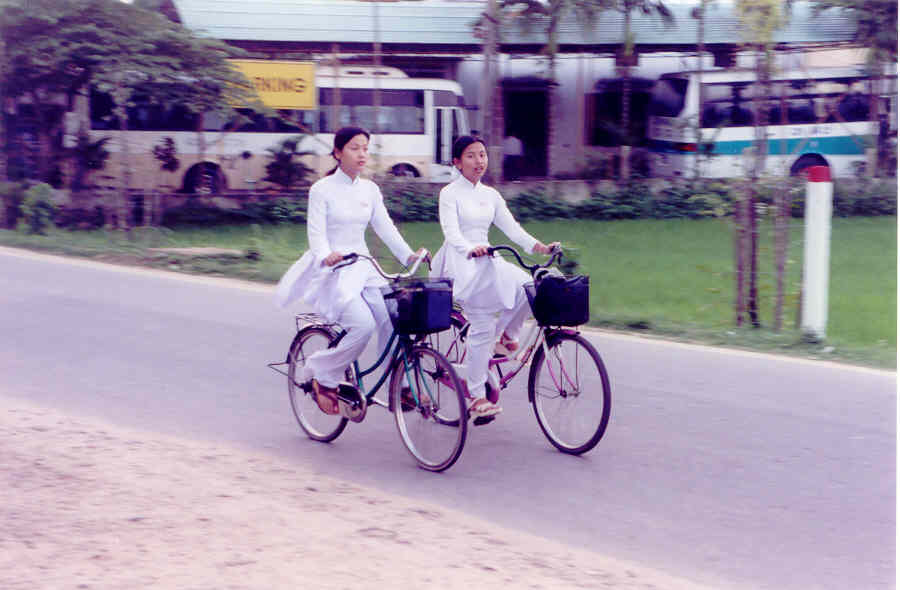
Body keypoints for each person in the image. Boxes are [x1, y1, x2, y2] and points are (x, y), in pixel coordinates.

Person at [275, 126, 427, 415]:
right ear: (337, 152)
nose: (362, 154)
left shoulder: (370, 189)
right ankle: (322, 372)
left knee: (393, 319)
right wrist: (325, 255)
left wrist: (409, 255)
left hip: (364, 266)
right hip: (334, 271)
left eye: (365, 148)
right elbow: (316, 234)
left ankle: (400, 386)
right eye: (355, 147)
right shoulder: (322, 189)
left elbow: (385, 228)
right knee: (363, 325)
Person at [430, 135, 558, 421]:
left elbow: (512, 229)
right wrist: (469, 248)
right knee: (482, 323)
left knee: (529, 287)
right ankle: (476, 396)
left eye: (483, 155)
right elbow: (451, 233)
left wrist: (538, 246)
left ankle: (506, 336)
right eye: (472, 156)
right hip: (461, 261)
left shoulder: (491, 195)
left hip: (487, 257)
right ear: (457, 162)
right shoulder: (450, 194)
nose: (479, 161)